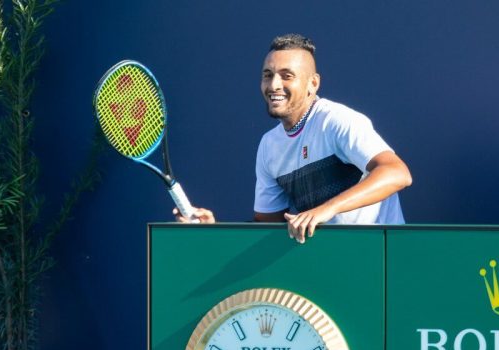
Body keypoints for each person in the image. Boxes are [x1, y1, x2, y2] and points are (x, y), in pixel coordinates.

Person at [175, 33, 412, 243]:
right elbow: (268, 226)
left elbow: (397, 173)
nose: (274, 85)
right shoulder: (269, 146)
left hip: (382, 257)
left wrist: (325, 210)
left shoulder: (338, 121)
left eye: (287, 76)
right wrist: (213, 231)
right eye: (267, 75)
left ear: (313, 83)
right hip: (327, 262)